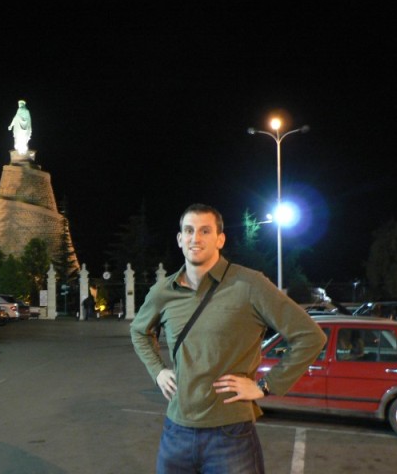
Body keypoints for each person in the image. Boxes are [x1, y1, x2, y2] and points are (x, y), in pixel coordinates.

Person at [130, 203, 327, 474]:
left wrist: (265, 386)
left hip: (230, 435)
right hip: (176, 431)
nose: (195, 238)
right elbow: (139, 331)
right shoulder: (164, 290)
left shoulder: (249, 284)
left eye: (205, 231)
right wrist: (158, 371)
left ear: (220, 239)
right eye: (189, 230)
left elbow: (310, 336)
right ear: (180, 239)